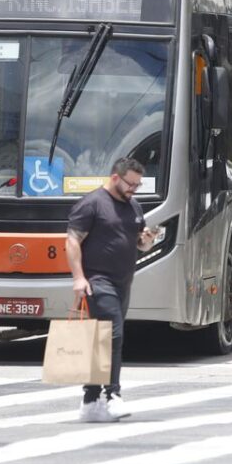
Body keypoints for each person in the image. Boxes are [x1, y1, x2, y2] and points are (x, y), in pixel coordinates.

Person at [65, 157, 157, 422]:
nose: (134, 189)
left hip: (122, 282)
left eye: (138, 185)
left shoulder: (133, 206)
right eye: (131, 184)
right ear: (115, 178)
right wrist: (79, 278)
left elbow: (139, 243)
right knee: (112, 335)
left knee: (100, 341)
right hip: (97, 281)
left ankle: (90, 400)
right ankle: (113, 395)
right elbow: (71, 242)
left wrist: (147, 240)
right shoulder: (92, 204)